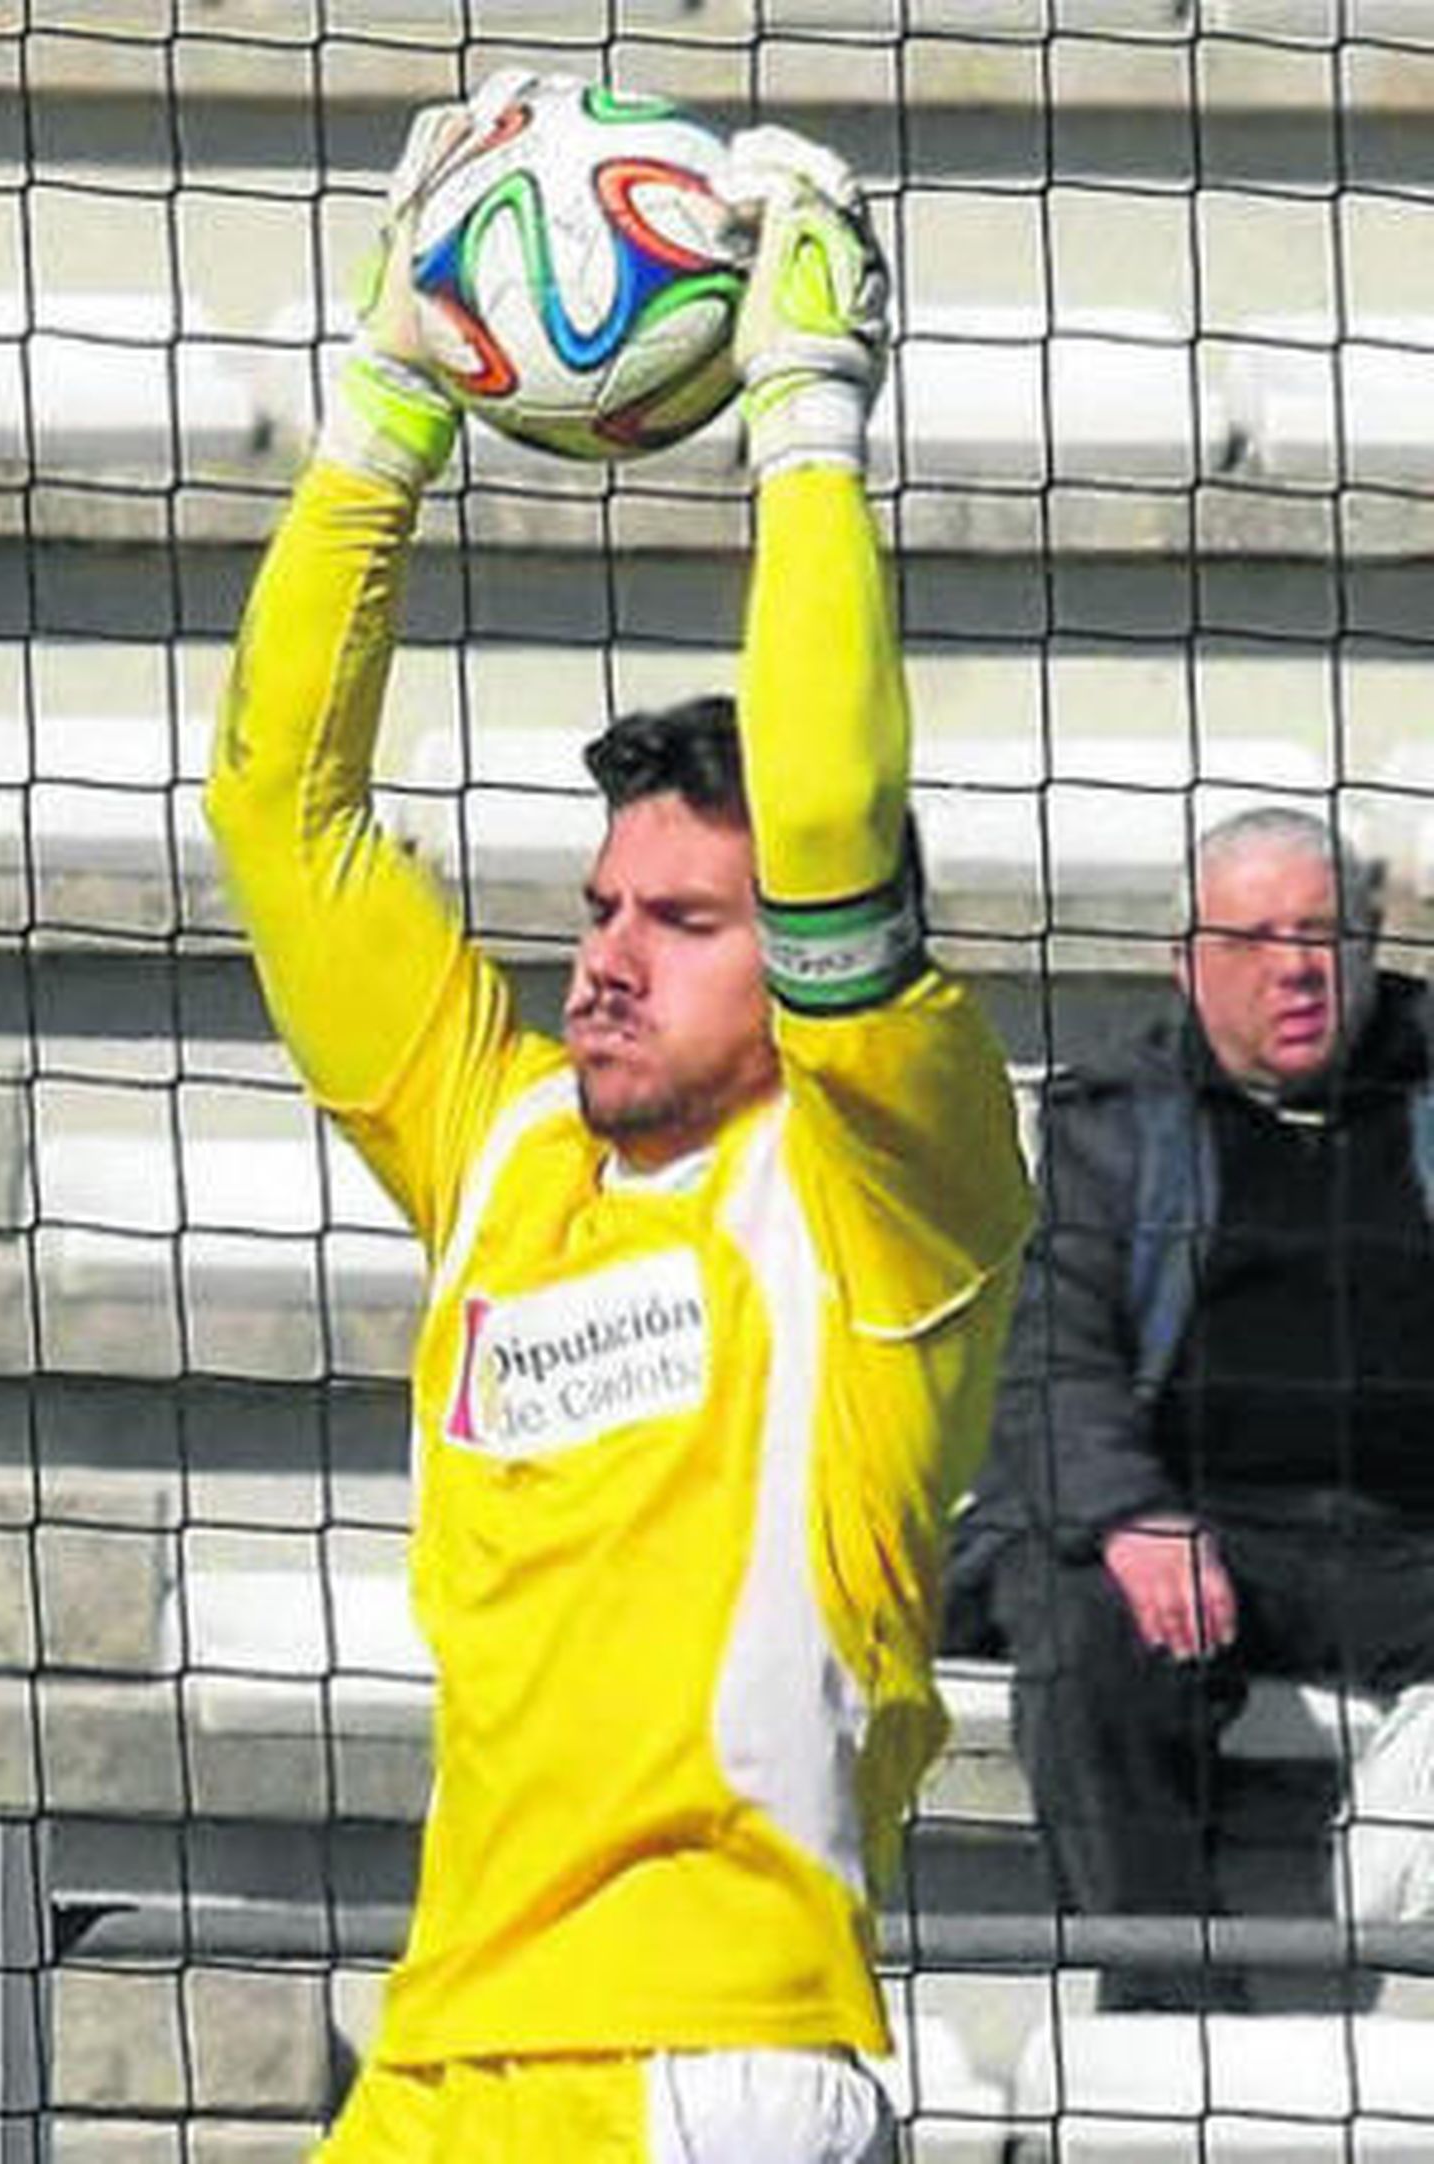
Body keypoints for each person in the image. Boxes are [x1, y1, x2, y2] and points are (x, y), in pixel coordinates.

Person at [205, 73, 1031, 2164]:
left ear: (814, 967)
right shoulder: (505, 1148)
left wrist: (805, 415)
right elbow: (277, 819)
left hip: (718, 2057)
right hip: (442, 2043)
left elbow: (832, 828)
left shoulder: (885, 1198)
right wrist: (391, 386)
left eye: (681, 922)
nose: (604, 958)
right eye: (596, 911)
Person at [952, 803, 1434, 2008]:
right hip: (1201, 1530)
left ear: (1373, 944)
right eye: (1252, 938)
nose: (1294, 968)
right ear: (1185, 962)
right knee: (1076, 1622)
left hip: (1410, 1546)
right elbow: (1050, 1361)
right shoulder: (1114, 1117)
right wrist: (1129, 1513)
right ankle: (1170, 2017)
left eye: (1323, 932)